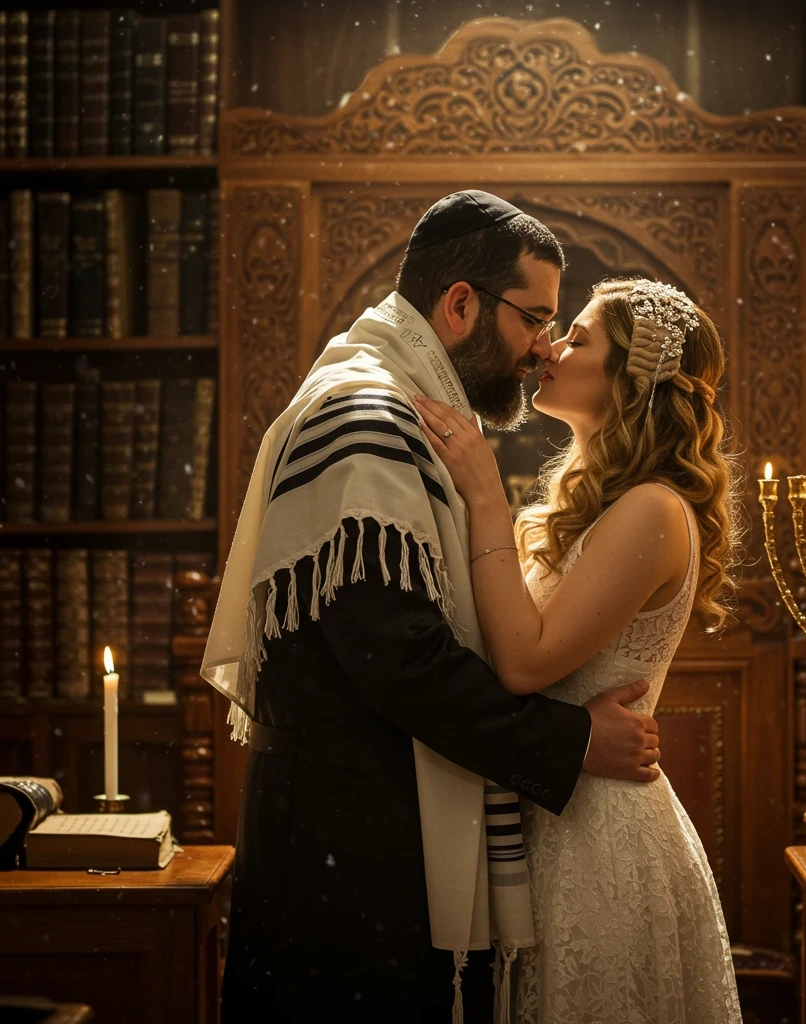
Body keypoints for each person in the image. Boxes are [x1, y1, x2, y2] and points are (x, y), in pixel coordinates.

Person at [201, 191, 664, 1023]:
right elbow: (402, 664)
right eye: (533, 320)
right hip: (353, 850)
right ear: (460, 304)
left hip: (357, 831)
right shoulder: (368, 415)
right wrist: (573, 740)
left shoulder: (395, 403)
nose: (541, 349)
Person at [413, 276, 745, 1023]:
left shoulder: (652, 509)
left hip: (602, 844)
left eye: (579, 338)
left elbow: (525, 663)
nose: (551, 348)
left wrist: (484, 494)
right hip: (554, 808)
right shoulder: (597, 500)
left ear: (630, 379)